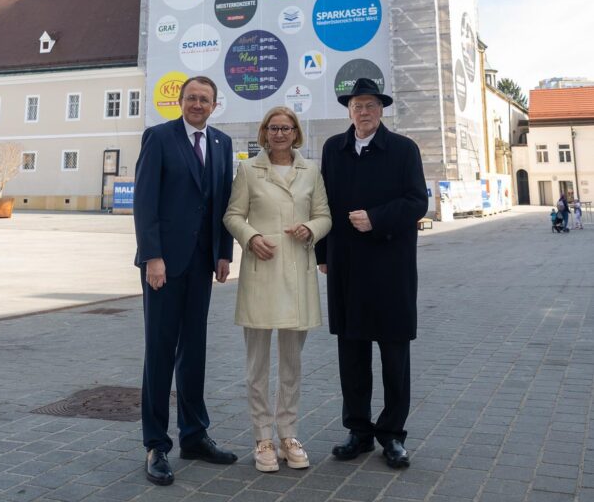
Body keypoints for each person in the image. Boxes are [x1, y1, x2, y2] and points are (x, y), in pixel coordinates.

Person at [315, 77, 428, 470]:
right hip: (346, 266)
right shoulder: (334, 148)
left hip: (390, 267)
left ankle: (393, 435)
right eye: (357, 105)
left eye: (370, 105)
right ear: (349, 110)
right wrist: (322, 254)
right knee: (352, 354)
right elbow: (322, 202)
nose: (363, 112)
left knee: (395, 355)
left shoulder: (402, 149)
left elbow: (418, 201)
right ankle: (358, 432)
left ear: (381, 110)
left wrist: (376, 219)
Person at [133, 76, 237, 486]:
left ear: (215, 105)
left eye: (205, 99)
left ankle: (194, 435)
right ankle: (156, 444)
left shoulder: (221, 144)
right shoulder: (159, 138)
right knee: (160, 350)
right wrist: (152, 256)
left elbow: (222, 201)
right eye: (192, 98)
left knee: (194, 350)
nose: (198, 104)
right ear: (180, 101)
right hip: (164, 265)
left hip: (201, 265)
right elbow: (145, 202)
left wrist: (224, 252)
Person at [224, 107, 331, 472]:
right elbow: (232, 215)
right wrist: (250, 236)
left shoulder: (311, 170)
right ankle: (262, 438)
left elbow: (325, 214)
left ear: (296, 132)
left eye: (286, 128)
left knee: (292, 363)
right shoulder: (248, 170)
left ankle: (288, 434)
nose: (280, 133)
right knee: (257, 364)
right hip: (262, 271)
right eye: (274, 128)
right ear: (264, 132)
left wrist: (312, 229)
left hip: (297, 275)